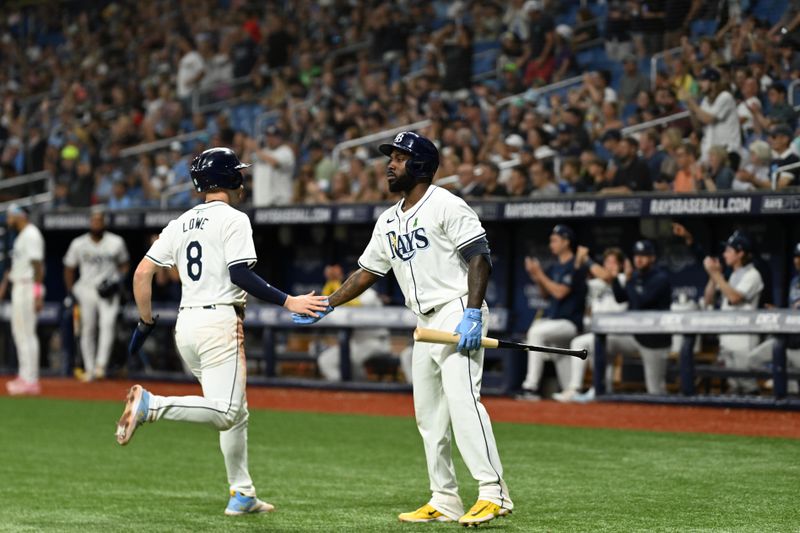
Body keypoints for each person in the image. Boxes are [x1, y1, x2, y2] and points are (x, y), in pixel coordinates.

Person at [292, 131, 513, 526]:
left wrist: (474, 312)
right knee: (429, 415)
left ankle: (493, 492)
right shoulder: (389, 219)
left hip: (456, 308)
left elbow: (479, 257)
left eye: (399, 157)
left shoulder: (446, 203)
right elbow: (368, 272)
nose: (390, 164)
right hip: (424, 322)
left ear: (421, 165)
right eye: (390, 157)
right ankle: (444, 499)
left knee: (464, 401)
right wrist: (328, 303)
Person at [114, 147, 328, 515]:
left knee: (235, 412)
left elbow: (141, 273)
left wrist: (146, 321)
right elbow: (240, 274)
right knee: (227, 411)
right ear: (229, 179)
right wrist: (288, 301)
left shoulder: (179, 222)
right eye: (238, 172)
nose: (242, 178)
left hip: (187, 327)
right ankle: (153, 406)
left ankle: (242, 493)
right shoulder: (233, 218)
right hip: (219, 324)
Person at [517, 225, 586, 400]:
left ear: (566, 242)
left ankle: (531, 387)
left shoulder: (575, 265)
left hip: (570, 322)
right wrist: (536, 275)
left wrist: (540, 274)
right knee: (566, 382)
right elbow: (545, 294)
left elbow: (560, 292)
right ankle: (571, 393)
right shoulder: (555, 266)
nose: (551, 244)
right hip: (556, 322)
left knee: (536, 331)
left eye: (555, 240)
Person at [554, 246, 630, 402]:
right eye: (607, 262)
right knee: (603, 369)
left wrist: (586, 259)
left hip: (619, 332)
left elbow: (607, 276)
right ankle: (602, 394)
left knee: (579, 343)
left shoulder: (623, 279)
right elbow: (577, 282)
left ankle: (574, 388)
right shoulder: (596, 283)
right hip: (600, 333)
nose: (609, 265)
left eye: (614, 262)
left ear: (621, 265)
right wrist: (577, 263)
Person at [63, 209, 130, 381]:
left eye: (99, 221)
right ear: (89, 223)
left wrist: (118, 281)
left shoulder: (116, 242)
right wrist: (70, 292)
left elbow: (124, 264)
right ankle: (90, 368)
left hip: (108, 290)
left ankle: (101, 366)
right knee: (88, 328)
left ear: (104, 223)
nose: (96, 224)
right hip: (86, 289)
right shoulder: (79, 243)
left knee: (107, 325)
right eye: (94, 221)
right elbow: (69, 267)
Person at [703, 232, 763, 394]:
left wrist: (717, 275)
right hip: (727, 339)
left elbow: (735, 297)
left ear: (740, 253)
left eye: (729, 251)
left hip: (744, 340)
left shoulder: (753, 275)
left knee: (748, 384)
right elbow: (708, 299)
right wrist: (713, 276)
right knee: (734, 386)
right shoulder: (731, 276)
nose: (724, 254)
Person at [611, 240, 672, 394]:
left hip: (655, 340)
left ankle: (665, 416)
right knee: (600, 344)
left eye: (644, 255)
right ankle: (602, 390)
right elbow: (621, 298)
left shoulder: (660, 278)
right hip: (635, 336)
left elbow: (641, 301)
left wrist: (629, 280)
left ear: (652, 258)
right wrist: (614, 279)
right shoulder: (636, 276)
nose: (639, 259)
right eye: (637, 255)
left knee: (655, 389)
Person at [317, 265, 391, 381]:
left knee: (352, 358)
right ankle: (341, 390)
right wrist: (331, 282)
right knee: (325, 360)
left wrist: (336, 282)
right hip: (356, 343)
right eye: (351, 278)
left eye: (358, 277)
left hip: (376, 343)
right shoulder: (349, 296)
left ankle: (361, 389)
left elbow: (353, 304)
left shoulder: (369, 295)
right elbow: (327, 302)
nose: (354, 281)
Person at [2, 204, 45, 396]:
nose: (8, 218)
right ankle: (24, 375)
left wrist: (37, 293)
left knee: (27, 333)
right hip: (20, 285)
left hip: (28, 286)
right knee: (20, 332)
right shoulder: (22, 235)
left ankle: (31, 380)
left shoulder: (31, 234)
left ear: (21, 215)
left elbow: (38, 266)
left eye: (11, 215)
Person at [746, 242, 800, 394]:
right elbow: (792, 312)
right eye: (796, 256)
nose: (797, 260)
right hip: (787, 342)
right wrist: (779, 312)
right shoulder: (795, 282)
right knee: (752, 360)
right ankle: (781, 379)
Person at [685, 67, 741, 167]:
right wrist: (691, 109)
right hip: (711, 153)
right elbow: (698, 126)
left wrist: (693, 104)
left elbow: (708, 119)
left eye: (703, 80)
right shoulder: (705, 101)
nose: (700, 84)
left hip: (727, 152)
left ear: (713, 82)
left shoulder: (725, 97)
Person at [248, 125, 296, 206]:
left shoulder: (286, 151)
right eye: (268, 136)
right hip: (261, 202)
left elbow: (275, 163)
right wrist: (248, 149)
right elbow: (245, 167)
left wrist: (256, 149)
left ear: (280, 138)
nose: (270, 139)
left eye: (274, 136)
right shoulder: (262, 152)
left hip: (281, 201)